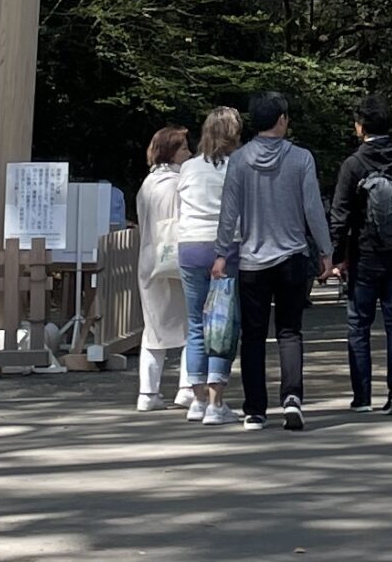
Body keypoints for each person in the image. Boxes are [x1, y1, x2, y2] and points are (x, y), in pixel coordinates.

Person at [214, 89, 334, 432]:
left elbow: (229, 213)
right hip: (292, 257)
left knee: (252, 337)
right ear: (281, 120)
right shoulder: (301, 159)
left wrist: (222, 253)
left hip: (252, 260)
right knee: (289, 331)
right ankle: (292, 399)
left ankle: (254, 410)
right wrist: (326, 251)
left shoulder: (238, 160)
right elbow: (313, 209)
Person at [329, 93, 392, 416]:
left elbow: (340, 215)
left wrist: (337, 256)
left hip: (365, 255)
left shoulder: (354, 165)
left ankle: (361, 396)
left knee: (359, 324)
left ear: (360, 127)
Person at [178, 105, 242, 425]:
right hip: (224, 250)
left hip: (188, 247)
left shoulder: (188, 168)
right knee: (222, 324)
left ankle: (198, 400)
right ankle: (217, 404)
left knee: (196, 326)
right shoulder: (238, 166)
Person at [135, 123, 192, 412]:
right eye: (183, 147)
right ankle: (186, 388)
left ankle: (148, 393)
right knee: (191, 326)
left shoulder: (148, 184)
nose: (189, 152)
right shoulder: (176, 184)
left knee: (154, 328)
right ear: (171, 152)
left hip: (148, 261)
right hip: (174, 260)